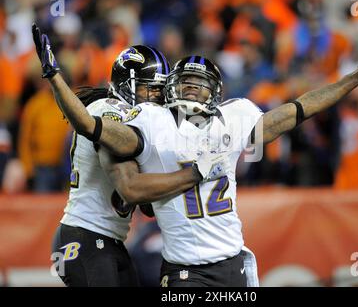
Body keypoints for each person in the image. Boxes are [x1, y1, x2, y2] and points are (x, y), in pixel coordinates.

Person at [33, 23, 358, 287]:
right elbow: (105, 148)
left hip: (231, 262)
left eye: (195, 87)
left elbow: (297, 110)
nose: (167, 96)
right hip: (143, 258)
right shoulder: (137, 119)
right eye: (155, 89)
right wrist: (55, 76)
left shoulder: (232, 117)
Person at [35, 37, 229, 286]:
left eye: (161, 90)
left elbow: (148, 206)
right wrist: (193, 172)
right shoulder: (109, 108)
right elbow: (129, 183)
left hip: (108, 240)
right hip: (85, 235)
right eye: (150, 88)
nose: (157, 98)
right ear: (125, 86)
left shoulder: (142, 122)